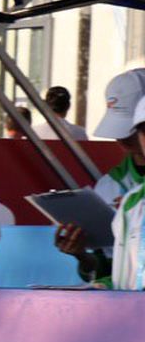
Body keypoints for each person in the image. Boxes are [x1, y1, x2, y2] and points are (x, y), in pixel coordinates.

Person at [54, 69, 145, 282]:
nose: (122, 139)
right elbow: (112, 270)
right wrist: (81, 255)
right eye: (140, 130)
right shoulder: (109, 185)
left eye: (132, 129)